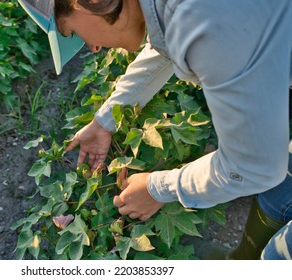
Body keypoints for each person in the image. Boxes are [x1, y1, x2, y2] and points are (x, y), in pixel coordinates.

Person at [17, 0, 292, 259]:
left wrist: (157, 188)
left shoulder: (203, 19)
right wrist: (105, 120)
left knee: (280, 258)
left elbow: (253, 166)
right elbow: (168, 43)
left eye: (73, 33)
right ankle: (243, 260)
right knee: (281, 192)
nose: (93, 47)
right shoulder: (180, 12)